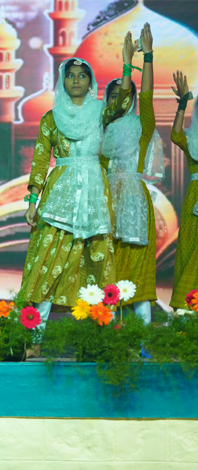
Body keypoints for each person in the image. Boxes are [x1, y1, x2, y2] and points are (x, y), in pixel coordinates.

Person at [20, 35, 136, 357]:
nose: (75, 80)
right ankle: (33, 341)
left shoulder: (100, 112)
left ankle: (101, 342)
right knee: (47, 263)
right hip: (60, 194)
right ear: (62, 80)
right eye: (70, 75)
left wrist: (127, 65)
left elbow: (122, 103)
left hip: (94, 193)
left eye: (82, 75)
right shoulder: (50, 117)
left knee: (97, 262)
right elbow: (40, 160)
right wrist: (32, 202)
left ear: (90, 81)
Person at [102, 24, 162, 324]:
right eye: (113, 96)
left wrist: (147, 56)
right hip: (103, 205)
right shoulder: (99, 131)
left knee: (137, 272)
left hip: (134, 206)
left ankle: (143, 341)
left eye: (124, 95)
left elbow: (147, 96)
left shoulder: (142, 126)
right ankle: (105, 339)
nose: (120, 100)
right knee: (105, 274)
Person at [169, 70, 198, 310]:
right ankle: (187, 305)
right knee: (191, 247)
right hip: (194, 198)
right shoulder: (192, 138)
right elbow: (175, 135)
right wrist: (182, 103)